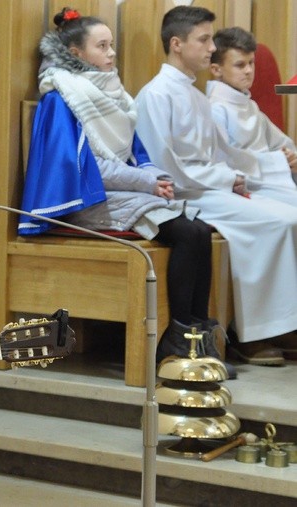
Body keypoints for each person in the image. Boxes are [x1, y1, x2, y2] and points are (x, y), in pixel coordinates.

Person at [17, 8, 235, 376]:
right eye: (102, 46)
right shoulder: (62, 97)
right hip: (84, 200)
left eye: (112, 45)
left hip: (120, 192)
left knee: (200, 229)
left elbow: (137, 154)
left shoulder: (112, 92)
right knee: (184, 234)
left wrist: (155, 177)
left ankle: (197, 333)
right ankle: (175, 343)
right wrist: (146, 183)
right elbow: (86, 170)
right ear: (75, 52)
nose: (112, 53)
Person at [134, 5, 297, 366]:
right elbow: (164, 167)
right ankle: (251, 332)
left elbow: (228, 152)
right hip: (184, 196)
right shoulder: (156, 94)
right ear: (177, 44)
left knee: (288, 216)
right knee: (277, 222)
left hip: (211, 188)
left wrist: (263, 166)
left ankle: (279, 323)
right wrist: (228, 178)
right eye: (204, 40)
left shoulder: (193, 94)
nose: (211, 49)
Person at [207, 26, 297, 186]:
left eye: (251, 63)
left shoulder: (249, 104)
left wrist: (291, 157)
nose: (248, 70)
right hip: (249, 185)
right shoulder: (215, 109)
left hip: (275, 177)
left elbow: (282, 143)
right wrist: (277, 161)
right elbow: (224, 163)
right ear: (216, 69)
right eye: (240, 65)